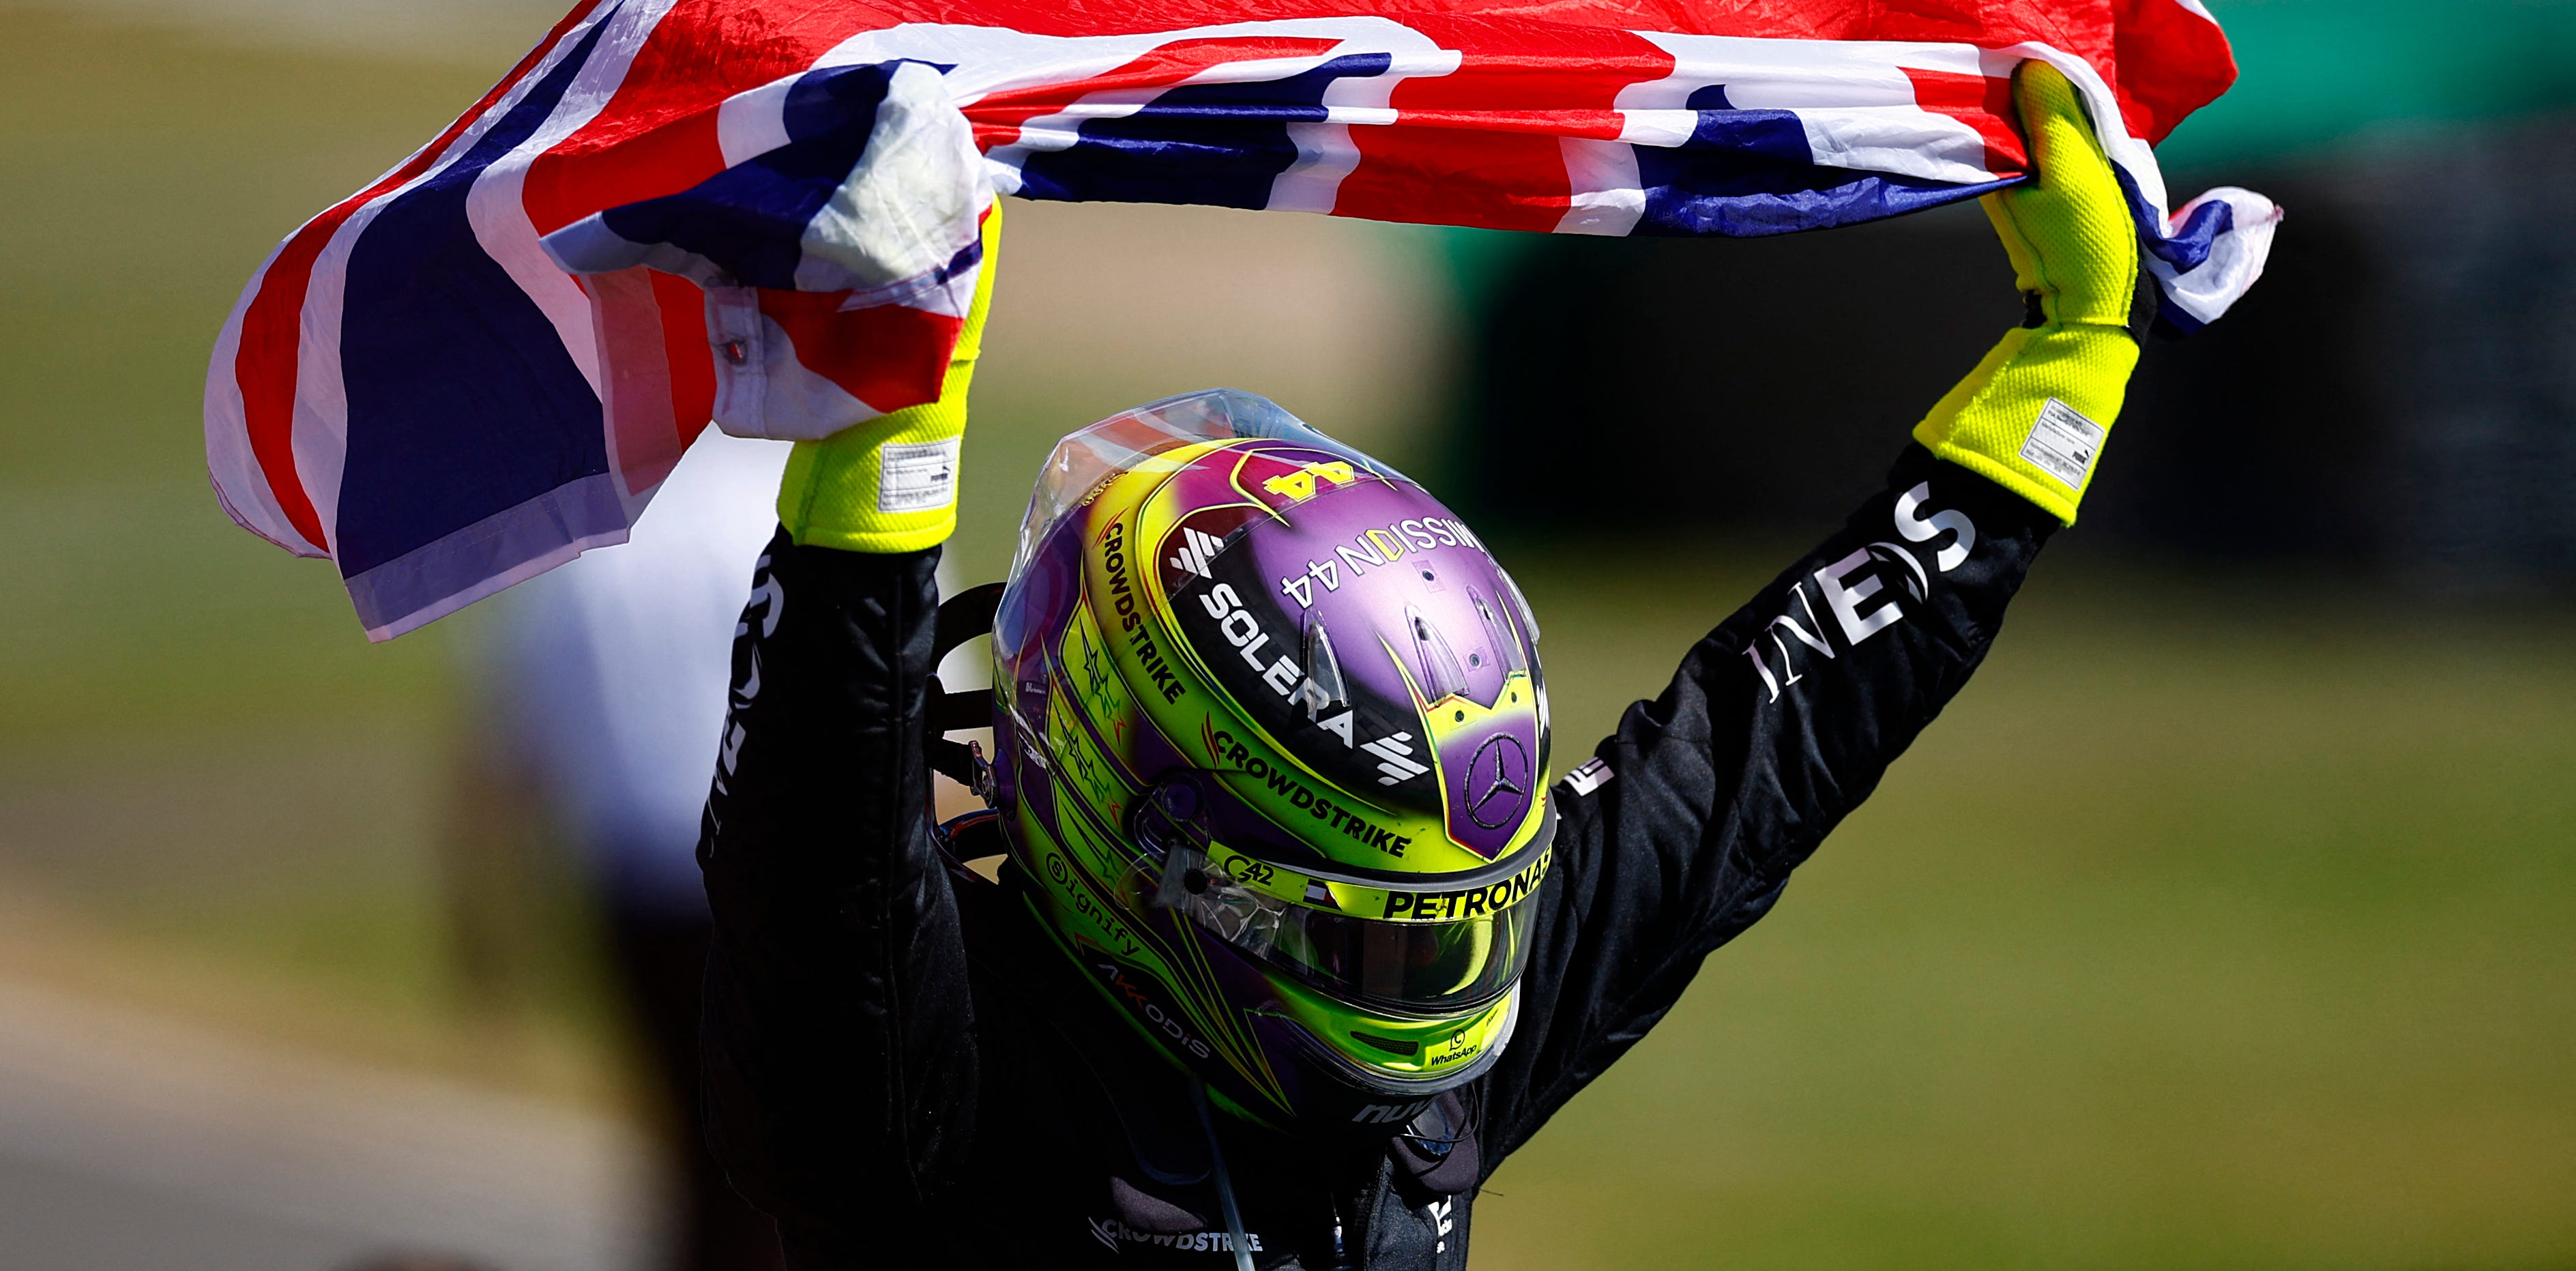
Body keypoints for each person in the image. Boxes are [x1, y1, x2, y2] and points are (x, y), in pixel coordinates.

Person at [696, 62, 2144, 1268]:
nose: (1436, 998)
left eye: (1465, 923)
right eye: (1374, 941)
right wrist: (880, 440)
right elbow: (814, 857)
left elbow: (1762, 746)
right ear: (1168, 854)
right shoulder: (930, 1101)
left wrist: (2058, 380)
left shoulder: (1437, 1029)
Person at [475, 428, 792, 1271]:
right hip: (782, 892)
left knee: (695, 1152)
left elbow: (508, 748)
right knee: (792, 1157)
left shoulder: (586, 532)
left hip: (640, 899)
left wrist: (484, 924)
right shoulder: (796, 503)